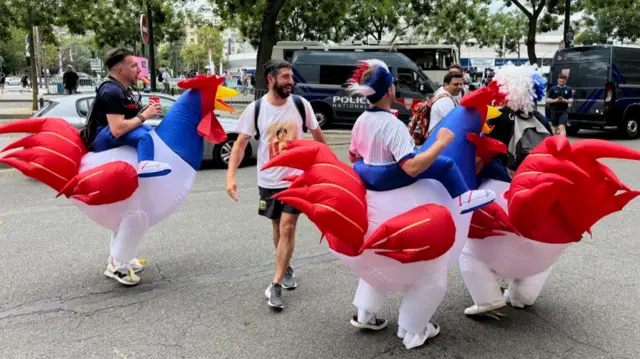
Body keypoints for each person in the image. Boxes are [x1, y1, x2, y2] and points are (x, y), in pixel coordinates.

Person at [346, 59, 495, 346]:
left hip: (369, 183)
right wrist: (440, 143)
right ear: (390, 88)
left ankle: (365, 312)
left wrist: (370, 171)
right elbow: (411, 167)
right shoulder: (391, 124)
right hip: (392, 178)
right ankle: (413, 329)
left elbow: (354, 156)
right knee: (446, 164)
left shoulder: (361, 121)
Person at [225, 59, 327, 310]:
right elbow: (239, 144)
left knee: (288, 226)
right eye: (284, 77)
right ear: (271, 80)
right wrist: (230, 176)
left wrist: (326, 165)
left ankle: (276, 284)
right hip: (269, 180)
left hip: (296, 179)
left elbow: (317, 137)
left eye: (291, 77)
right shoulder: (257, 109)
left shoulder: (301, 105)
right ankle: (287, 266)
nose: (290, 81)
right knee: (278, 229)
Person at [79, 48, 171, 178]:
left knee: (150, 130)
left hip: (110, 133)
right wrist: (143, 116)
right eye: (134, 66)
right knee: (143, 136)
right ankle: (144, 165)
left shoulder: (121, 89)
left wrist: (141, 113)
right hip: (102, 136)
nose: (139, 70)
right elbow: (117, 129)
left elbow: (125, 118)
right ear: (120, 70)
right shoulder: (111, 91)